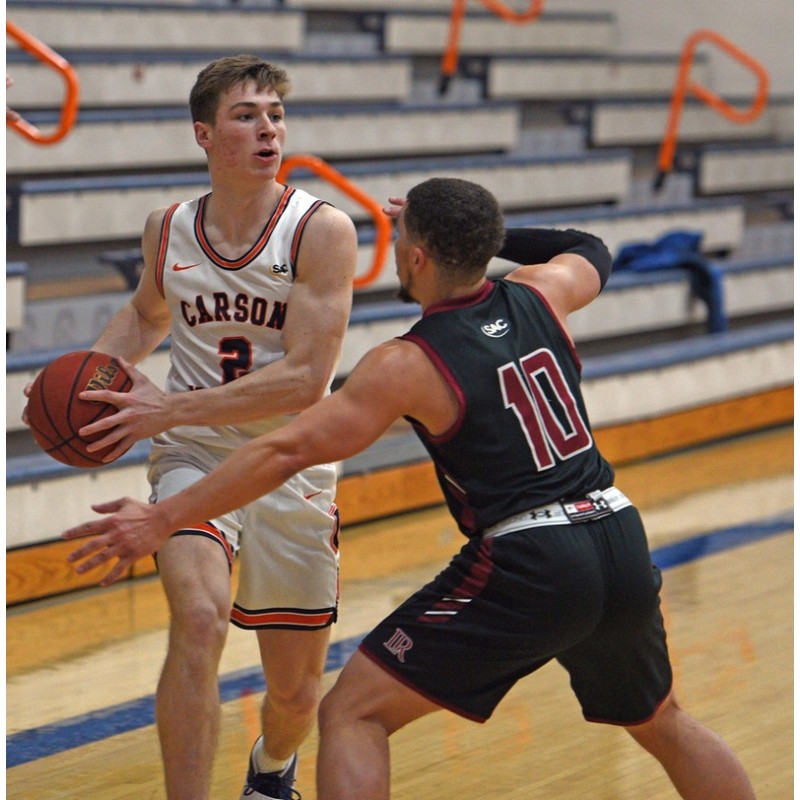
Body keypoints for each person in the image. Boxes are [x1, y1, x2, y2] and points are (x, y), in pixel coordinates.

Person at [62, 177, 755, 800]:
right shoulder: (544, 291)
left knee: (352, 713)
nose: (395, 252)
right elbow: (589, 245)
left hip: (533, 558)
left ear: (417, 257)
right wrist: (482, 238)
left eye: (401, 241)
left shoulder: (405, 362)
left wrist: (164, 518)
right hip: (617, 532)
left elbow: (284, 449)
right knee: (662, 720)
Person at [30, 55, 357, 800]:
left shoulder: (320, 230)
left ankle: (271, 768)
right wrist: (85, 383)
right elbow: (147, 316)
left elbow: (307, 379)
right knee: (201, 618)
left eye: (276, 115)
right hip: (194, 454)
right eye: (246, 115)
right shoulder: (169, 228)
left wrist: (167, 408)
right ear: (204, 134)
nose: (268, 129)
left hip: (288, 460)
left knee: (295, 697)